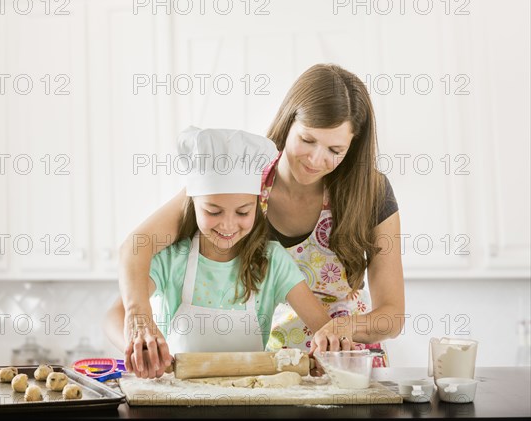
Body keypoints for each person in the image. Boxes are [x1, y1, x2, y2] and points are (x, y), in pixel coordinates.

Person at [105, 63, 405, 377]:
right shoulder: (238, 183)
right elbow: (136, 246)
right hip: (278, 368)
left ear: (352, 147)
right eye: (307, 140)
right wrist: (139, 319)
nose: (317, 159)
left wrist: (339, 328)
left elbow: (392, 316)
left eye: (335, 149)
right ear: (289, 122)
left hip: (349, 361)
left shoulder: (369, 192)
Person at [104, 126, 331, 378]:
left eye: (243, 212)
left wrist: (328, 350)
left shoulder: (272, 261)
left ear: (257, 205)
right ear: (193, 204)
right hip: (177, 403)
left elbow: (324, 328)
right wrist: (138, 345)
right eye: (213, 211)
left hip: (252, 404)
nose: (228, 225)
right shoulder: (171, 260)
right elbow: (116, 314)